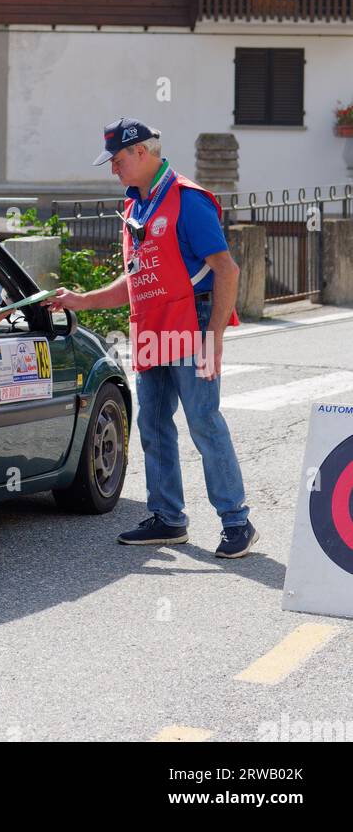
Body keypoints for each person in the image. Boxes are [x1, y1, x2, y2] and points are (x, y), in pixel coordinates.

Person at [48, 119, 258, 559]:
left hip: (192, 318)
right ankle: (168, 518)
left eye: (118, 160)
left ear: (142, 153)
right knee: (152, 423)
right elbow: (136, 279)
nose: (113, 170)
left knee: (203, 420)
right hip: (153, 324)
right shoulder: (136, 206)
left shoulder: (186, 199)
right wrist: (81, 300)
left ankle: (238, 522)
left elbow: (227, 270)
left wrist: (213, 337)